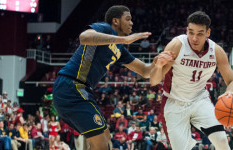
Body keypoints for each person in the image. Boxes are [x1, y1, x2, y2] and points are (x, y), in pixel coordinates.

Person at [52, 5, 172, 150]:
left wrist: (161, 63)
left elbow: (145, 71)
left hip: (82, 90)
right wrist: (125, 40)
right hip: (72, 85)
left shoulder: (120, 49)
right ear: (115, 21)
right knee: (101, 144)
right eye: (128, 19)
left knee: (106, 137)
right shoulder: (104, 28)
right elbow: (84, 37)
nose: (132, 23)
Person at [150, 11, 233, 150]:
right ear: (187, 30)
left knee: (222, 140)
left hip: (199, 100)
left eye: (200, 33)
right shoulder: (177, 45)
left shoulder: (216, 51)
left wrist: (230, 92)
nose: (194, 38)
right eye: (191, 32)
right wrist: (158, 66)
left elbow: (232, 82)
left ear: (208, 33)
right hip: (174, 102)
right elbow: (154, 81)